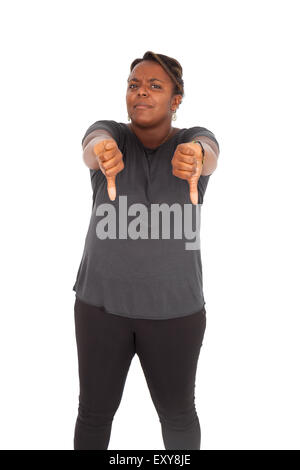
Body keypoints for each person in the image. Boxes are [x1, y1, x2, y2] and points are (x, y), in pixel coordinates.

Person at [72, 51, 220, 450]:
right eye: (134, 84)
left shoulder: (191, 140)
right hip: (100, 309)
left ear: (176, 100)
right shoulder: (112, 134)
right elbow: (92, 143)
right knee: (94, 412)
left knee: (178, 414)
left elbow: (208, 151)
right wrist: (101, 152)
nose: (141, 92)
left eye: (155, 86)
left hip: (176, 313)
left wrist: (198, 159)